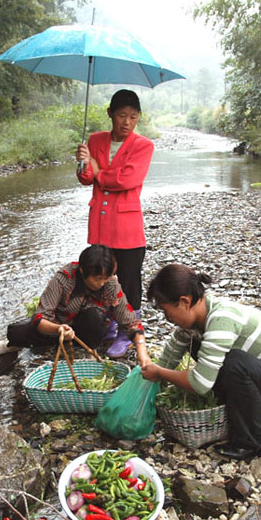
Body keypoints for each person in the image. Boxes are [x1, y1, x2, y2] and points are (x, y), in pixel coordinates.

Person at [140, 264, 261, 460]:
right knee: (201, 348)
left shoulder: (222, 318)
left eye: (166, 311)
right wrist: (145, 388)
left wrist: (159, 373)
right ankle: (237, 411)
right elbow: (169, 359)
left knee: (234, 363)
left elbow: (199, 384)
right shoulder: (194, 320)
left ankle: (255, 441)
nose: (167, 318)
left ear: (184, 301)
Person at [76, 89, 154, 358]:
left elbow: (127, 180)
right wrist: (84, 164)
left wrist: (99, 171)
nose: (127, 122)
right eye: (121, 115)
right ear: (110, 113)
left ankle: (128, 332)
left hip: (128, 228)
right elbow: (86, 179)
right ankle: (108, 323)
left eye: (133, 117)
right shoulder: (96, 140)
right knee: (101, 276)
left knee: (130, 281)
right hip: (100, 224)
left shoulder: (144, 145)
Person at [0, 245, 151, 369]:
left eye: (105, 278)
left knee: (95, 316)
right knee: (16, 332)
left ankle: (90, 350)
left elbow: (130, 321)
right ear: (82, 270)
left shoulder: (110, 283)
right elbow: (40, 318)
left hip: (86, 329)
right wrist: (58, 330)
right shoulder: (63, 279)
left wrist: (141, 349)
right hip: (57, 327)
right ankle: (13, 345)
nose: (101, 283)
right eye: (97, 278)